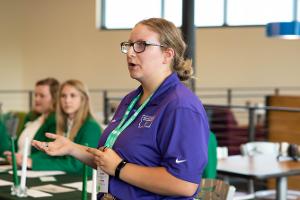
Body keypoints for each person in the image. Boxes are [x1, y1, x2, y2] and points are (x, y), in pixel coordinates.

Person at [32, 18, 210, 199]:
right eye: (129, 45)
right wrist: (72, 148)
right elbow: (108, 160)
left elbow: (184, 184)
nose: (130, 53)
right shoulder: (131, 100)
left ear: (167, 54)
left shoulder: (181, 107)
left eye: (141, 45)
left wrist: (119, 168)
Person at [30, 80, 102, 172]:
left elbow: (77, 165)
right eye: (63, 96)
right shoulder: (65, 123)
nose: (67, 100)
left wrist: (33, 163)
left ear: (83, 99)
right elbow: (54, 154)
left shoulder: (91, 127)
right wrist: (26, 159)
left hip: (84, 181)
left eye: (72, 96)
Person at [4, 77, 59, 166]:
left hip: (33, 168)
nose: (36, 99)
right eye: (35, 95)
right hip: (17, 166)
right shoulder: (31, 117)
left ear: (54, 98)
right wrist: (11, 154)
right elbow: (17, 143)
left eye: (42, 96)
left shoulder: (56, 122)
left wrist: (25, 159)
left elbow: (50, 153)